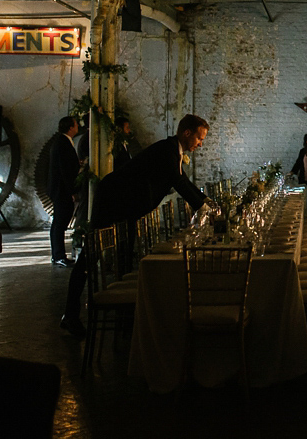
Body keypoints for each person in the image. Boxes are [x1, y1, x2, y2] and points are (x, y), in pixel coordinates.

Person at [60, 114, 210, 337]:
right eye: (199, 138)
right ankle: (70, 315)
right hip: (112, 201)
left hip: (125, 206)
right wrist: (205, 208)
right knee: (90, 256)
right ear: (187, 133)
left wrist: (206, 202)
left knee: (124, 255)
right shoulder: (168, 150)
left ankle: (124, 315)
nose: (201, 143)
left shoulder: (172, 150)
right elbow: (179, 182)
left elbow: (182, 180)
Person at [47, 116, 82, 266]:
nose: (78, 126)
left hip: (60, 189)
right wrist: (72, 191)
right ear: (70, 127)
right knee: (60, 223)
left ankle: (57, 255)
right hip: (62, 190)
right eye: (75, 124)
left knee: (59, 223)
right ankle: (58, 256)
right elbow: (65, 170)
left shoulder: (63, 142)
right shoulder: (63, 143)